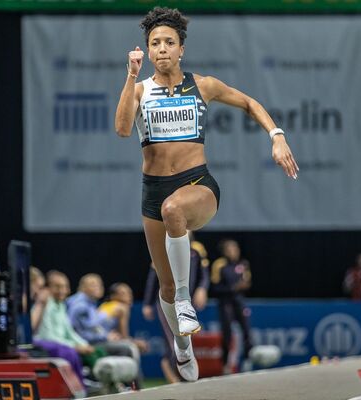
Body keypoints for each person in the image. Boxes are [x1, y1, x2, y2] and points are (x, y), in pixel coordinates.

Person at [114, 6, 298, 381]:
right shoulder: (139, 89)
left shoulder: (203, 85)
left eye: (169, 42)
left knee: (174, 211)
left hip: (197, 186)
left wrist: (276, 135)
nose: (161, 49)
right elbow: (120, 129)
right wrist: (130, 75)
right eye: (154, 43)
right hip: (153, 191)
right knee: (163, 282)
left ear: (181, 49)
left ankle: (184, 299)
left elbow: (248, 103)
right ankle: (183, 346)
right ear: (147, 52)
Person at [142, 233, 209, 383]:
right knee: (172, 336)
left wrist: (202, 289)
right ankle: (174, 376)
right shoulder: (162, 247)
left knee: (187, 335)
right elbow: (153, 277)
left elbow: (204, 274)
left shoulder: (197, 249)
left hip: (187, 300)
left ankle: (178, 372)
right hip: (167, 300)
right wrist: (147, 302)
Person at [210, 238, 254, 373]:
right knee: (227, 334)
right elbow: (214, 288)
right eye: (231, 249)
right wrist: (233, 288)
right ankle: (226, 365)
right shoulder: (219, 265)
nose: (234, 251)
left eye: (236, 248)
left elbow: (247, 282)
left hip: (239, 301)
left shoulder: (243, 264)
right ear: (225, 251)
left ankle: (247, 362)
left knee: (247, 332)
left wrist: (243, 286)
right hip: (225, 303)